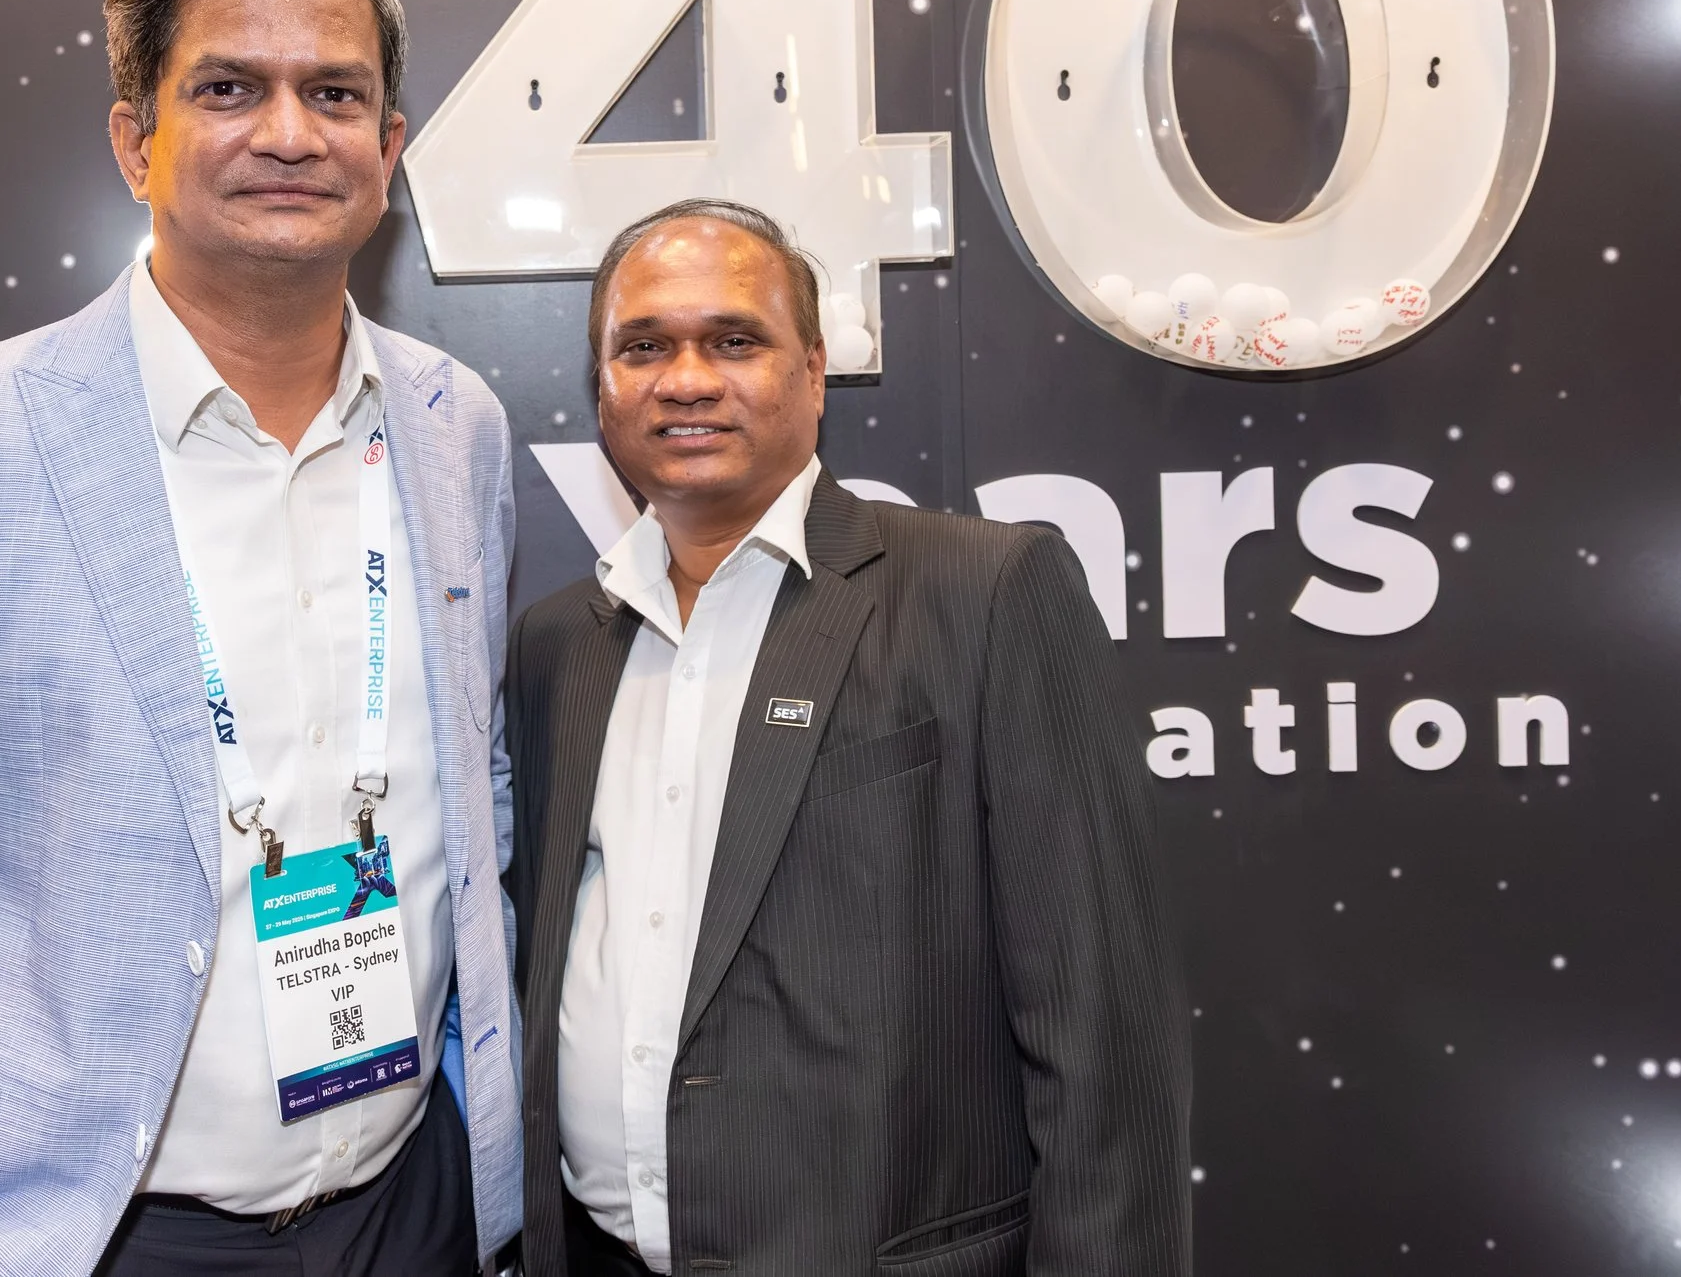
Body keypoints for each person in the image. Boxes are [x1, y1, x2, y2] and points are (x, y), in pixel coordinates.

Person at [0, 0, 523, 1277]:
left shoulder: (455, 422)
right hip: (94, 1236)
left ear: (388, 147)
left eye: (336, 93)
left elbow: (477, 781)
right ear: (133, 140)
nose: (289, 132)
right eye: (226, 88)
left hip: (411, 1207)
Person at [504, 200, 1190, 1277]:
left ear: (815, 372)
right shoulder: (557, 643)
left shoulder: (986, 593)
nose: (686, 378)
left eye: (735, 339)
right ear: (603, 388)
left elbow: (1103, 1033)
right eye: (643, 347)